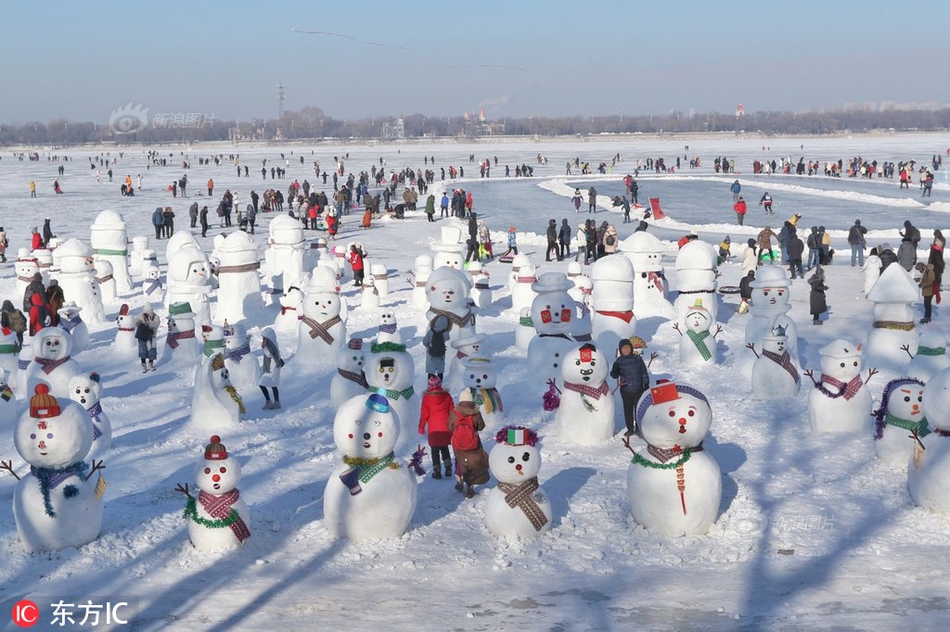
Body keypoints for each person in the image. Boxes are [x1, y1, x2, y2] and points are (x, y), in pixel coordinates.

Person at [450, 389, 490, 499]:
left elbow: (449, 426)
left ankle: (459, 478)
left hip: (458, 443)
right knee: (472, 464)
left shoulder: (454, 413)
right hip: (473, 442)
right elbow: (481, 426)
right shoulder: (476, 412)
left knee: (460, 461)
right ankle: (470, 487)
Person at [610, 338, 651, 437]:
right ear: (620, 350)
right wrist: (615, 369)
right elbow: (614, 376)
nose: (626, 350)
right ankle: (630, 429)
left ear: (631, 348)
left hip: (638, 389)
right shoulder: (619, 361)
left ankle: (638, 428)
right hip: (626, 390)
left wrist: (646, 384)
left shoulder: (637, 359)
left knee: (638, 409)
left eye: (628, 347)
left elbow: (644, 372)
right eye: (624, 348)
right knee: (628, 410)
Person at [418, 375, 455, 479]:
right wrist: (453, 424)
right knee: (444, 447)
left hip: (433, 429)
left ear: (429, 386)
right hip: (445, 427)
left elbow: (424, 415)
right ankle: (448, 468)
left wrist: (421, 427)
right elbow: (452, 411)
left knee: (434, 450)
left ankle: (437, 471)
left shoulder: (426, 398)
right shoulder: (446, 396)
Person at [259, 327, 284, 409]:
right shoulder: (272, 343)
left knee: (266, 384)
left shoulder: (271, 346)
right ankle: (273, 402)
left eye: (264, 338)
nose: (263, 340)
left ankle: (272, 402)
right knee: (272, 385)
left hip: (272, 368)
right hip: (271, 368)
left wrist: (264, 347)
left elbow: (269, 354)